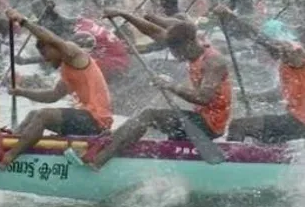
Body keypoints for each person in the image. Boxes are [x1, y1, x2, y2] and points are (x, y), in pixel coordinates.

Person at [71, 21, 231, 170]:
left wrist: (170, 86)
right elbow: (156, 31)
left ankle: (98, 161)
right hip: (199, 117)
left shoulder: (213, 61)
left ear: (189, 44)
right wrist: (124, 15)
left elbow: (203, 98)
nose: (175, 56)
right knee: (151, 115)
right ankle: (110, 144)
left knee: (149, 115)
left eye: (176, 51)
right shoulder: (192, 44)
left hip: (210, 125)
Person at [0, 7, 112, 169]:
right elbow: (53, 96)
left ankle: (9, 158)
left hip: (97, 122)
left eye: (46, 55)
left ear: (54, 47)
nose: (46, 61)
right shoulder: (67, 68)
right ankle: (12, 143)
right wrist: (21, 92)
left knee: (43, 116)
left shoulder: (75, 54)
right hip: (86, 119)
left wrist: (23, 21)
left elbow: (50, 37)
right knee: (33, 114)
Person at [216, 7, 305, 144]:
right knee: (258, 134)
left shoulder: (296, 58)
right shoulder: (286, 64)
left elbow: (258, 37)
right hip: (297, 119)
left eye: (278, 45)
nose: (270, 48)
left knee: (239, 125)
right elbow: (278, 94)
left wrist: (232, 18)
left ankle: (231, 161)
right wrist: (251, 96)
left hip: (302, 122)